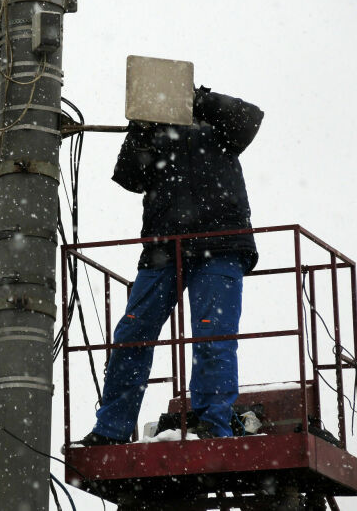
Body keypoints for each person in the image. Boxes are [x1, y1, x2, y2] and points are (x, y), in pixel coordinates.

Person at [79, 86, 265, 445]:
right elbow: (129, 176)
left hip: (217, 244)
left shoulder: (217, 122)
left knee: (212, 336)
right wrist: (141, 127)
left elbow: (250, 120)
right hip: (167, 248)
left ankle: (213, 425)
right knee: (132, 336)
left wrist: (198, 98)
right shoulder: (154, 131)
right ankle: (112, 430)